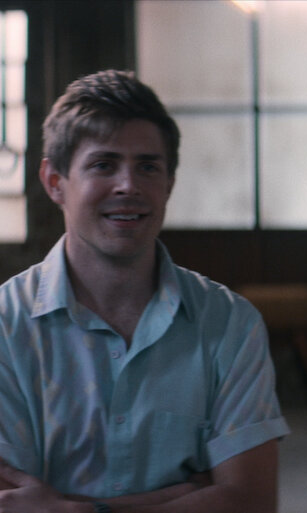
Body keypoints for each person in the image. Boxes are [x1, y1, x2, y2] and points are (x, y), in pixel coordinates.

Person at [0, 70, 289, 513]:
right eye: (103, 165)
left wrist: (73, 508)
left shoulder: (229, 322)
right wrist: (182, 498)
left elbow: (251, 502)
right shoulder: (6, 325)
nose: (128, 186)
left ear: (169, 183)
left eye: (148, 167)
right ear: (55, 182)